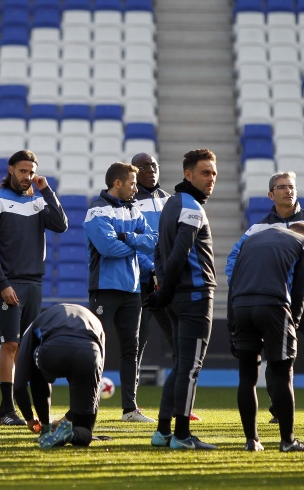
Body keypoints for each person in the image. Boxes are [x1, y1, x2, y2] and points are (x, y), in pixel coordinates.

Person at [225, 171, 304, 426]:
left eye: (291, 187)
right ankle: (279, 410)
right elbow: (234, 262)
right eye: (282, 187)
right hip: (275, 304)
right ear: (271, 194)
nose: (288, 191)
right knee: (274, 361)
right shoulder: (257, 228)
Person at [0, 150, 68, 426]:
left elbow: (61, 225)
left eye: (31, 172)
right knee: (11, 344)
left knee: (28, 346)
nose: (27, 177)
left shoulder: (37, 202)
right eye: (22, 171)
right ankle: (6, 409)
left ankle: (29, 408)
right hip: (11, 283)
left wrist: (46, 190)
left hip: (35, 282)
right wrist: (2, 284)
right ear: (10, 170)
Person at [148, 148, 218, 450]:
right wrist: (164, 289)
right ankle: (182, 435)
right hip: (194, 296)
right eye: (205, 172)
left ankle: (163, 431)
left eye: (214, 173)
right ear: (187, 174)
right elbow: (178, 253)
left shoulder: (172, 204)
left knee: (180, 365)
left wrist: (163, 287)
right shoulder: (190, 207)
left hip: (177, 296)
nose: (211, 178)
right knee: (190, 368)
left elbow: (158, 252)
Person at [228, 223, 304, 453]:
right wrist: (294, 322)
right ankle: (287, 441)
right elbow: (301, 288)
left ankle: (252, 440)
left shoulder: (250, 241)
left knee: (247, 377)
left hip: (241, 306)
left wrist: (231, 324)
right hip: (274, 307)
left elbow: (233, 282)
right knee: (283, 374)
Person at [83, 162, 157, 423]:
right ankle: (87, 405)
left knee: (131, 349)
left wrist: (126, 238)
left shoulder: (134, 209)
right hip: (105, 288)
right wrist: (134, 243)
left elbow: (153, 240)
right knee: (95, 347)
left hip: (132, 289)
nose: (136, 188)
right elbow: (107, 248)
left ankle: (130, 409)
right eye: (133, 183)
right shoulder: (96, 210)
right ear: (117, 183)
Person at [130, 153, 188, 417]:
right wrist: (150, 267)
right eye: (143, 166)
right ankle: (131, 405)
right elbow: (130, 242)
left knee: (178, 341)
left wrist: (164, 270)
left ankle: (180, 404)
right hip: (138, 281)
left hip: (165, 281)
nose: (150, 170)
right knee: (136, 343)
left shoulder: (169, 201)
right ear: (134, 171)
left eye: (153, 165)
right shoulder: (128, 201)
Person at [14, 304, 106, 448]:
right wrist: (68, 419)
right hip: (89, 353)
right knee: (85, 432)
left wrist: (30, 419)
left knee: (34, 368)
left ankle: (45, 428)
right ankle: (71, 434)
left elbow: (19, 384)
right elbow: (95, 380)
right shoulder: (96, 322)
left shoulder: (35, 324)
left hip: (52, 353)